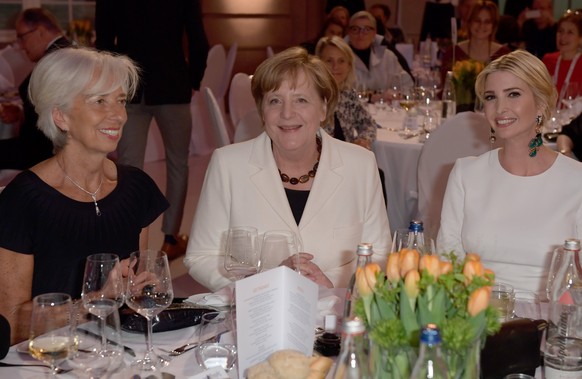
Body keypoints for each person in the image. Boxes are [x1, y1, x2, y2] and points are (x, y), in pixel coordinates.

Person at [184, 47, 391, 292]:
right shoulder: (228, 164)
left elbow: (380, 255)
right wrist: (265, 282)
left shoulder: (361, 165)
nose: (287, 113)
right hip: (256, 314)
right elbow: (200, 256)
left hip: (336, 315)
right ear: (262, 110)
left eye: (301, 100)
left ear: (324, 108)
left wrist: (330, 281)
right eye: (275, 101)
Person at [0, 48, 169, 344]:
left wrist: (139, 291)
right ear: (61, 116)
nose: (117, 115)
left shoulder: (136, 188)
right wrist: (95, 302)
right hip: (48, 361)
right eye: (99, 101)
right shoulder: (23, 201)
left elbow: (130, 293)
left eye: (120, 101)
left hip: (116, 352)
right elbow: (10, 324)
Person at [437, 49, 582, 295]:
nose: (500, 108)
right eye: (491, 97)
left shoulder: (576, 180)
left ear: (541, 103)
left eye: (513, 94)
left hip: (553, 320)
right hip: (476, 315)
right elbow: (447, 260)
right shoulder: (465, 173)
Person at [95, 0, 209, 260]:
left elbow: (103, 45)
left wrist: (116, 81)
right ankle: (170, 239)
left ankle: (127, 240)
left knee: (128, 166)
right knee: (178, 164)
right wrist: (192, 79)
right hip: (172, 85)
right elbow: (199, 42)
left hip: (129, 87)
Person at [0, 8, 70, 170]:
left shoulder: (55, 58)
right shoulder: (65, 51)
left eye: (22, 38)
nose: (21, 46)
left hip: (43, 150)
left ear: (40, 32)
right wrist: (20, 111)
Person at [440, 1, 511, 109]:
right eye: (477, 20)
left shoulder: (504, 54)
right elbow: (445, 92)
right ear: (469, 22)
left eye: (487, 22)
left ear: (493, 26)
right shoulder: (453, 53)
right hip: (458, 117)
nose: (482, 26)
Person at [315, 36, 376, 150]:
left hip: (347, 160)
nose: (335, 67)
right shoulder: (312, 97)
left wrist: (363, 140)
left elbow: (368, 124)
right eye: (329, 61)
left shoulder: (348, 95)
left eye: (341, 61)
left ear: (349, 66)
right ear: (318, 63)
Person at [345, 11, 413, 94]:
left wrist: (395, 95)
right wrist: (373, 97)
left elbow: (406, 85)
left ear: (374, 34)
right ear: (349, 32)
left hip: (385, 106)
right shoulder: (340, 58)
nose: (361, 34)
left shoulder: (387, 56)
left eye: (366, 29)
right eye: (355, 29)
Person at [542, 10, 582, 98]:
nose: (563, 37)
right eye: (560, 31)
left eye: (570, 32)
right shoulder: (548, 60)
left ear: (580, 39)